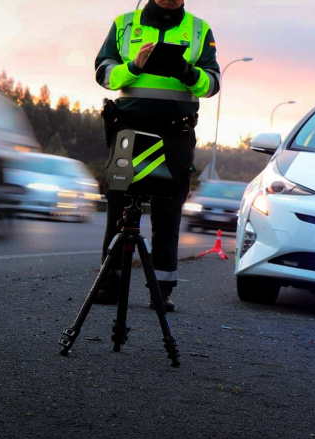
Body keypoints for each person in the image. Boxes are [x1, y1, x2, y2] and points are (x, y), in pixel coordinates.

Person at [93, 0, 221, 311]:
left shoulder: (199, 29)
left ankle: (161, 291)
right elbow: (103, 73)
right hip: (129, 130)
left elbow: (212, 83)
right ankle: (109, 286)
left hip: (176, 134)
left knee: (168, 214)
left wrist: (188, 73)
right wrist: (134, 66)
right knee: (118, 212)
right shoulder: (124, 23)